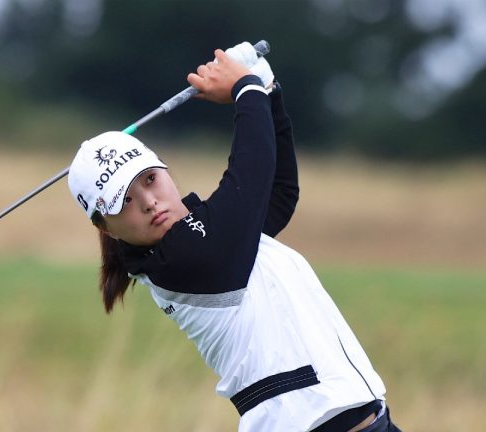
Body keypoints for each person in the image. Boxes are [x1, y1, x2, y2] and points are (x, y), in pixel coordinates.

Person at [67, 42, 402, 432]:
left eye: (150, 179)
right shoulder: (181, 259)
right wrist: (246, 88)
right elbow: (251, 172)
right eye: (123, 201)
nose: (148, 202)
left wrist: (267, 90)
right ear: (104, 227)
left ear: (166, 171)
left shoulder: (211, 238)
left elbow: (276, 194)